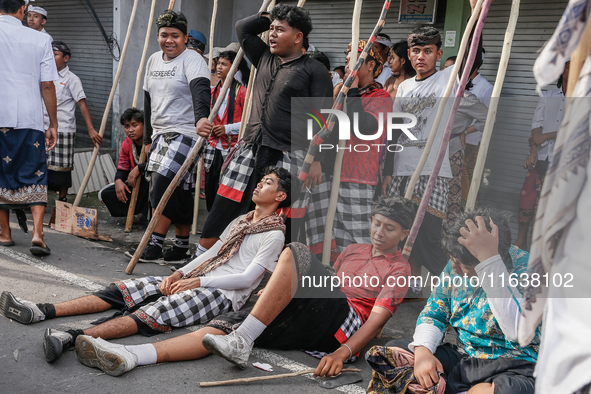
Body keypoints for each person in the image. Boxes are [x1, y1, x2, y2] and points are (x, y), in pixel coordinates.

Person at [70, 196, 413, 377]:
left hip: (344, 323)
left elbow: (375, 322)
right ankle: (132, 356)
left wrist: (343, 353)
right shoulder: (353, 250)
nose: (380, 233)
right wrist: (278, 291)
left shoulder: (400, 268)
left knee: (297, 251)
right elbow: (318, 285)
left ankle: (243, 339)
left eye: (390, 229)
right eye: (377, 224)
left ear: (403, 234)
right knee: (220, 329)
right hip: (314, 316)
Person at [0, 167, 295, 366]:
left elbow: (248, 279)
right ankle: (43, 310)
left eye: (268, 183)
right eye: (262, 180)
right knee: (126, 289)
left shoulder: (274, 234)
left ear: (280, 196)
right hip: (198, 278)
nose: (259, 184)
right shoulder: (242, 221)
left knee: (153, 312)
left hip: (220, 294)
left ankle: (73, 336)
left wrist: (198, 283)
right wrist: (181, 272)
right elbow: (213, 252)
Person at [196, 4, 333, 258]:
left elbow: (323, 120)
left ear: (298, 36)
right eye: (270, 29)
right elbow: (243, 28)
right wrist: (271, 16)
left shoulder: (314, 71)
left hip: (290, 154)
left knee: (285, 217)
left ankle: (273, 273)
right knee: (225, 206)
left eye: (280, 29)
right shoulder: (264, 58)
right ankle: (201, 258)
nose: (271, 33)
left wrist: (317, 160)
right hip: (251, 149)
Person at [366, 209, 541, 394]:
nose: (454, 268)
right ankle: (442, 386)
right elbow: (435, 311)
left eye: (463, 265)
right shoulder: (456, 264)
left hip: (515, 367)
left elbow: (517, 332)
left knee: (510, 391)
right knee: (393, 352)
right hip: (464, 359)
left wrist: (490, 262)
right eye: (452, 260)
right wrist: (423, 352)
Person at [383, 8, 484, 295]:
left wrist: (476, 14)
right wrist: (389, 170)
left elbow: (472, 52)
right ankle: (413, 288)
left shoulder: (448, 79)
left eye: (428, 51)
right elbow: (395, 130)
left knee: (429, 235)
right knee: (404, 234)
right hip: (403, 169)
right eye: (415, 51)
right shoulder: (402, 88)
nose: (420, 57)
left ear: (439, 54)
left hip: (432, 172)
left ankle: (454, 291)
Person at [128, 10, 211, 263]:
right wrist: (148, 137)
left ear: (185, 37)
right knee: (180, 191)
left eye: (175, 35)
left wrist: (201, 119)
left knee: (162, 182)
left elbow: (201, 92)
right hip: (161, 133)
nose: (169, 40)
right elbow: (148, 99)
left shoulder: (193, 60)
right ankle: (180, 248)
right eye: (164, 35)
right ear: (157, 36)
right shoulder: (153, 60)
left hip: (187, 132)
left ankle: (153, 244)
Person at [308, 40, 392, 262]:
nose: (347, 68)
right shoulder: (340, 92)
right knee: (324, 232)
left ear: (372, 66)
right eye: (346, 63)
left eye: (353, 62)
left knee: (356, 236)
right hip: (327, 171)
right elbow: (321, 128)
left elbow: (362, 127)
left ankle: (359, 280)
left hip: (357, 177)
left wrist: (352, 91)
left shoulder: (381, 98)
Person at [0, 0, 58, 255]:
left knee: (1, 172)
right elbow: (47, 85)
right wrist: (53, 123)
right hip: (29, 117)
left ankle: (4, 232)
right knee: (34, 171)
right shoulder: (40, 40)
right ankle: (37, 232)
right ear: (22, 9)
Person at [515, 61, 569, 250]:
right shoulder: (548, 95)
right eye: (568, 67)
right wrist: (533, 152)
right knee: (526, 199)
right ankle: (521, 242)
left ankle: (541, 250)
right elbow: (536, 124)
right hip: (542, 159)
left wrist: (545, 136)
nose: (571, 71)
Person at [45, 41, 102, 202]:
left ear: (66, 58)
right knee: (41, 167)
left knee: (63, 168)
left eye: (55, 54)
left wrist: (91, 129)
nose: (51, 57)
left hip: (64, 128)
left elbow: (82, 104)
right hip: (44, 127)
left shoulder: (72, 79)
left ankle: (62, 200)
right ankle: (39, 201)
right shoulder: (44, 75)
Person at [203, 50, 249, 211]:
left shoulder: (243, 93)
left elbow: (248, 122)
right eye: (218, 64)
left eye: (224, 64)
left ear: (235, 69)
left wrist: (227, 128)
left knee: (228, 187)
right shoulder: (211, 92)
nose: (219, 67)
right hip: (213, 145)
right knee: (210, 186)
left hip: (233, 147)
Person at [98, 108, 149, 218]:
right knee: (104, 194)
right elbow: (123, 168)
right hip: (137, 184)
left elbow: (160, 164)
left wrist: (139, 168)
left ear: (144, 125)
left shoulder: (152, 141)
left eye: (134, 125)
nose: (130, 130)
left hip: (152, 183)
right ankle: (141, 209)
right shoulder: (127, 143)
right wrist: (118, 181)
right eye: (127, 126)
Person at [460, 50, 494, 205]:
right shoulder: (458, 83)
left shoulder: (486, 87)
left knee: (471, 184)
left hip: (473, 143)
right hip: (456, 143)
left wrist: (465, 132)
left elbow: (489, 119)